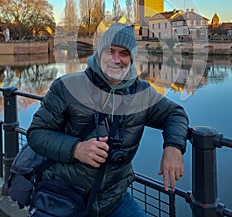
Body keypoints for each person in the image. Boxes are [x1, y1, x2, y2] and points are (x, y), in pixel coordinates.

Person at [27, 23, 189, 217]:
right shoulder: (67, 87)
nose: (116, 60)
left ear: (132, 58)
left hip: (114, 199)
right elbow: (36, 134)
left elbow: (175, 113)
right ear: (99, 53)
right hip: (63, 194)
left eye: (124, 53)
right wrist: (76, 149)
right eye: (110, 51)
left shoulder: (142, 92)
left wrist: (173, 147)